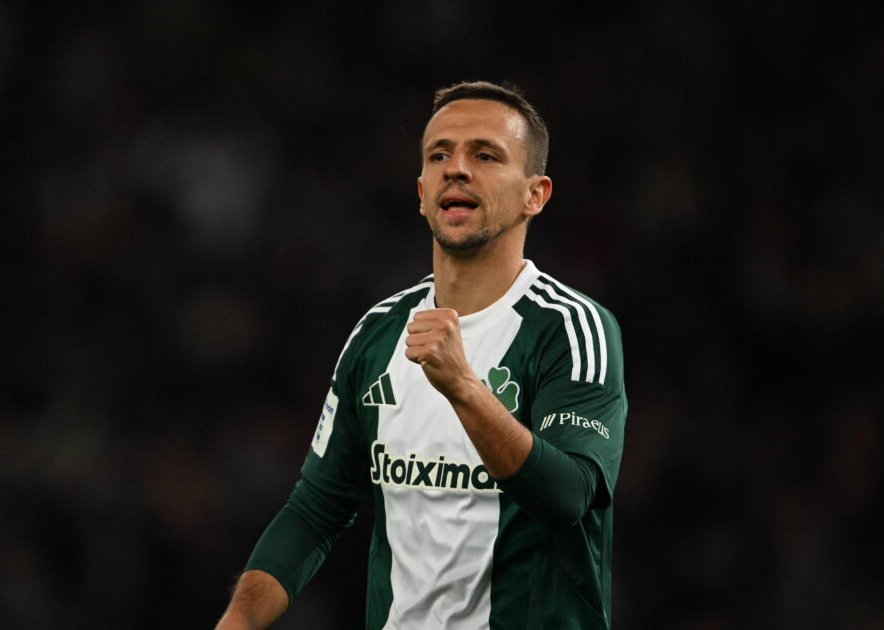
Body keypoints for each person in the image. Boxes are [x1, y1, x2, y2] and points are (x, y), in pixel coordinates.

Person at [214, 81, 627, 629]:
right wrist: (237, 621)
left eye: (485, 155)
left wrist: (464, 388)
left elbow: (568, 497)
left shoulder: (571, 329)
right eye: (439, 155)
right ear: (421, 191)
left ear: (536, 194)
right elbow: (316, 509)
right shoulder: (379, 332)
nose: (456, 169)